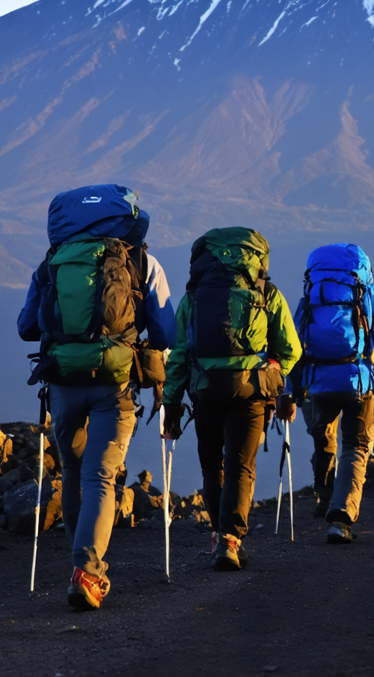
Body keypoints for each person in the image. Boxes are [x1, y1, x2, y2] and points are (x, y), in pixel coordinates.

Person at [17, 184, 175, 611]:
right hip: (115, 382)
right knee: (101, 478)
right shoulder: (141, 261)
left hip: (63, 384)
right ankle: (87, 572)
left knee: (71, 472)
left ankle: (81, 565)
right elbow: (166, 333)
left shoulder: (52, 262)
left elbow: (26, 326)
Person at [160, 228, 301, 570]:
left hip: (204, 388)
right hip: (251, 390)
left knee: (212, 463)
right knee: (241, 465)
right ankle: (231, 540)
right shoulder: (267, 293)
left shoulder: (192, 297)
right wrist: (273, 372)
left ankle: (216, 531)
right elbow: (292, 349)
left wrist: (172, 406)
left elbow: (178, 355)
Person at [289, 243, 374, 544]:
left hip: (316, 382)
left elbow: (293, 347)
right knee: (356, 446)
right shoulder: (370, 295)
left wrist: (291, 391)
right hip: (357, 382)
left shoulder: (311, 296)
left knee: (324, 440)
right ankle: (341, 515)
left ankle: (324, 496)